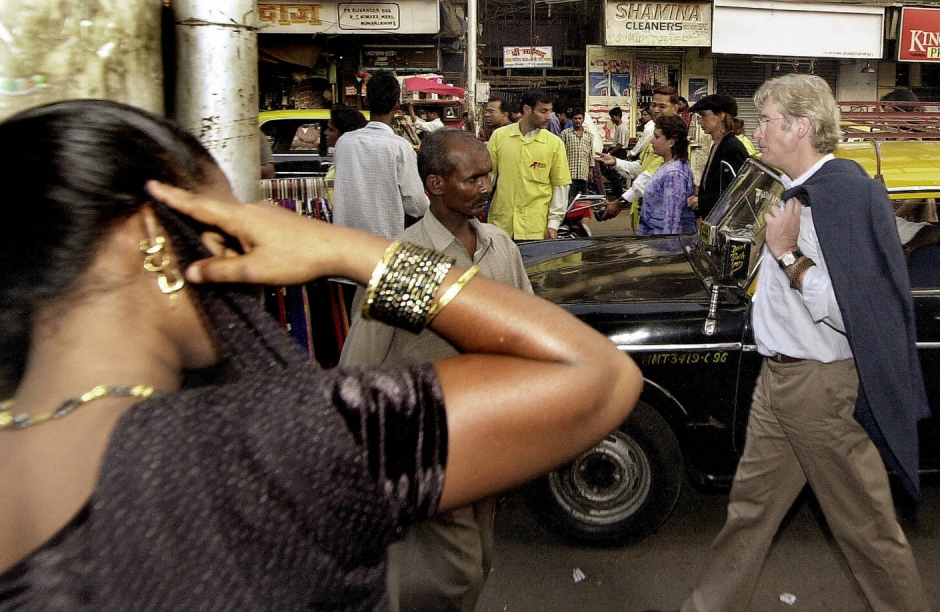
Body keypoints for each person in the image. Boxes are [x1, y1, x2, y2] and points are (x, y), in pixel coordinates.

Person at [0, 99, 643, 609]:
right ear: (151, 239)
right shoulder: (270, 446)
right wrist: (350, 250)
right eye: (228, 223)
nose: (245, 248)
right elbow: (596, 376)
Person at [679, 74, 931, 612]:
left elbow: (853, 311)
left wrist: (789, 255)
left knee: (867, 530)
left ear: (800, 127)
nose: (757, 131)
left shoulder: (838, 197)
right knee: (748, 513)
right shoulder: (787, 188)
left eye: (767, 120)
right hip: (779, 379)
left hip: (818, 389)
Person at [340, 129, 531, 612]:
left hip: (488, 430)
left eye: (488, 176)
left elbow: (528, 330)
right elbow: (360, 361)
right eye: (473, 178)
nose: (486, 187)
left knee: (481, 554)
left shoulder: (498, 246)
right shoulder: (409, 261)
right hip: (428, 439)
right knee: (456, 569)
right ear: (436, 185)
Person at [333, 71, 429, 239]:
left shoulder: (344, 142)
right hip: (382, 243)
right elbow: (417, 205)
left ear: (366, 101)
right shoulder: (400, 148)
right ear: (396, 105)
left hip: (344, 243)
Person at [486, 89, 571, 240]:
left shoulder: (554, 144)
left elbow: (560, 185)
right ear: (527, 109)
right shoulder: (500, 136)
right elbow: (488, 178)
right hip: (501, 226)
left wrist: (553, 224)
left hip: (535, 228)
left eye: (550, 111)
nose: (549, 117)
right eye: (543, 111)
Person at [598, 85, 679, 226]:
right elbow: (640, 168)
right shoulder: (655, 137)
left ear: (675, 108)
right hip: (645, 216)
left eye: (662, 106)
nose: (655, 110)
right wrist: (616, 162)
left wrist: (620, 203)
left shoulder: (674, 139)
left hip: (660, 221)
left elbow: (649, 178)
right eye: (653, 105)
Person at [602, 115, 694, 235]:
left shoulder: (674, 174)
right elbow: (640, 168)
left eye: (657, 137)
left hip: (661, 241)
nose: (652, 141)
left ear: (671, 141)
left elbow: (671, 222)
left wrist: (667, 246)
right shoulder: (667, 165)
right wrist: (616, 162)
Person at [686, 94, 750, 221]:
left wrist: (702, 201)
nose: (699, 121)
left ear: (721, 116)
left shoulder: (732, 147)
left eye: (703, 115)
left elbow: (737, 191)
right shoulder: (718, 144)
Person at [323, 104, 368, 200]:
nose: (325, 133)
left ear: (345, 135)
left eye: (331, 130)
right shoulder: (344, 161)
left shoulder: (350, 167)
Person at [560, 109, 594, 201]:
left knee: (582, 200)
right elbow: (561, 153)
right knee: (569, 199)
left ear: (583, 119)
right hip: (569, 172)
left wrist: (591, 169)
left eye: (580, 118)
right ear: (572, 119)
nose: (578, 121)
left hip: (584, 172)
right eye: (575, 118)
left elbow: (591, 153)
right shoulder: (565, 133)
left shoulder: (589, 135)